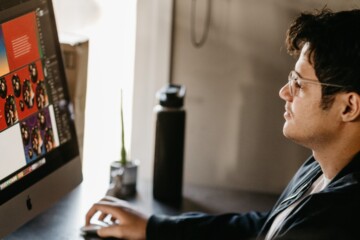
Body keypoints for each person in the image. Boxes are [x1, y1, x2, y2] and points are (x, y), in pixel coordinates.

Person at [85, 8, 360, 240]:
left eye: (299, 84)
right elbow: (268, 226)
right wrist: (154, 227)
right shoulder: (322, 165)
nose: (284, 92)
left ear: (348, 107)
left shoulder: (337, 220)